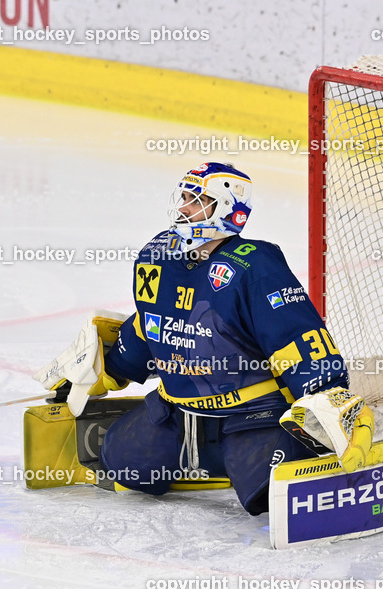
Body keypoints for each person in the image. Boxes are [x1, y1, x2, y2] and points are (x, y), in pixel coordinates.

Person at [87, 161, 354, 514]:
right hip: (177, 410)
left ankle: (261, 455)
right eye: (184, 197)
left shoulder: (256, 267)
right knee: (123, 463)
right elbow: (152, 321)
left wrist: (329, 399)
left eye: (197, 201)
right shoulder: (157, 255)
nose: (183, 208)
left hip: (252, 413)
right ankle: (213, 458)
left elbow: (297, 338)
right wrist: (113, 364)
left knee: (268, 495)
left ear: (229, 211)